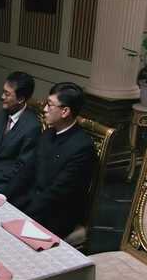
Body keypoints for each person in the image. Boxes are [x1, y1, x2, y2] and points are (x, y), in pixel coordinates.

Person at [18, 82, 96, 239]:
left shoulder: (83, 147)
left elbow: (57, 192)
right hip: (33, 202)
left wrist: (24, 215)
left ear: (65, 111)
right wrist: (5, 197)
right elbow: (27, 171)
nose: (45, 109)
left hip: (55, 215)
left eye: (50, 105)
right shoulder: (47, 134)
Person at [0, 72, 41, 204]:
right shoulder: (2, 114)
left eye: (7, 94)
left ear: (21, 99)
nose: (2, 96)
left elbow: (22, 167)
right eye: (3, 91)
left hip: (8, 186)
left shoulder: (32, 127)